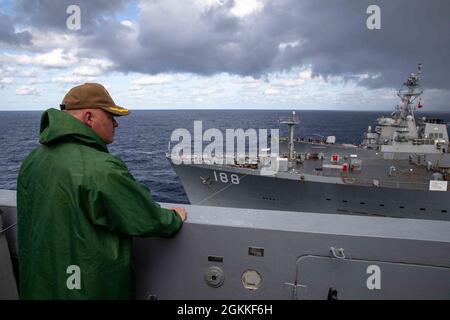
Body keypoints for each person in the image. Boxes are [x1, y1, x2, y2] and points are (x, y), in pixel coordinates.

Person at [17, 83, 187, 299]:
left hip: (40, 286)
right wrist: (173, 218)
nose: (116, 124)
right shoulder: (100, 167)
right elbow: (146, 217)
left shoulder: (32, 160)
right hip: (85, 289)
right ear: (89, 118)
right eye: (110, 116)